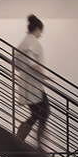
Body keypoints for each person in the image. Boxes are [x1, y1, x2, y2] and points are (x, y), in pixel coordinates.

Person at [14, 14, 50, 149]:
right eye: (41, 31)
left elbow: (18, 64)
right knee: (45, 111)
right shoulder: (31, 42)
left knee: (36, 113)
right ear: (37, 29)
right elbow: (31, 62)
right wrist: (44, 75)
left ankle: (20, 137)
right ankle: (39, 143)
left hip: (27, 84)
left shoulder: (24, 42)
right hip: (33, 85)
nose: (41, 35)